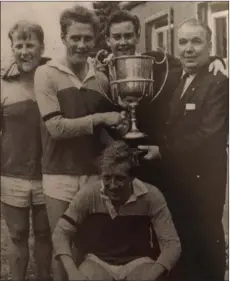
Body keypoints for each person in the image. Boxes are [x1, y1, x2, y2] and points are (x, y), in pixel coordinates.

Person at [34, 5, 125, 281]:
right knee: (62, 247)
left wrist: (120, 131)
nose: (81, 44)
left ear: (95, 39)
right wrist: (102, 117)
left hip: (93, 175)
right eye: (75, 38)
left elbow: (104, 132)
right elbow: (56, 127)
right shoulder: (46, 73)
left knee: (87, 246)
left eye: (87, 38)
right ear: (63, 37)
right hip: (58, 175)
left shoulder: (101, 78)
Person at [139, 18, 229, 281]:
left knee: (205, 249)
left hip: (203, 185)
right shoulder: (180, 78)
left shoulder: (218, 82)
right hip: (178, 183)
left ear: (210, 45)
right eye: (183, 42)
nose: (189, 48)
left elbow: (209, 135)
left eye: (196, 41)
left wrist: (163, 152)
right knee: (182, 248)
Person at [99, 9, 226, 185]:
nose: (123, 42)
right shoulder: (101, 73)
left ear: (137, 36)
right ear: (108, 40)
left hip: (158, 164)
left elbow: (189, 62)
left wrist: (215, 59)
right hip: (120, 166)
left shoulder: (157, 62)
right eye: (117, 37)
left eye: (128, 36)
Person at [52, 140, 181, 281]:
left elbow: (171, 244)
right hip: (98, 261)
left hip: (137, 262)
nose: (112, 185)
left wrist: (153, 273)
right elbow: (60, 233)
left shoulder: (151, 195)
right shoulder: (90, 193)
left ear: (132, 177)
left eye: (119, 178)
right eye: (107, 178)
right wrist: (73, 272)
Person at [1, 20, 52, 281]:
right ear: (12, 48)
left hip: (49, 173)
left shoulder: (52, 78)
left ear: (41, 47)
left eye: (30, 44)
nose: (24, 51)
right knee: (17, 234)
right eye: (18, 45)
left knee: (45, 233)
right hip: (12, 174)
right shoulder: (3, 84)